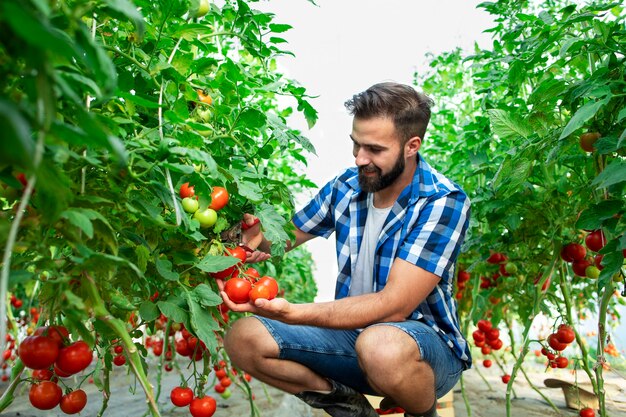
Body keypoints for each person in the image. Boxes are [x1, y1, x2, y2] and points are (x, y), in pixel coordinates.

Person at [218, 82, 471, 417]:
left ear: (412, 146)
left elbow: (393, 307)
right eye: (355, 144)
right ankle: (351, 410)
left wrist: (293, 312)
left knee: (381, 344)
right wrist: (251, 234)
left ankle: (422, 412)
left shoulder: (441, 201)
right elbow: (284, 238)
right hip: (352, 341)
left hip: (424, 350)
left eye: (374, 149)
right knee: (243, 337)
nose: (359, 158)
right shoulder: (347, 187)